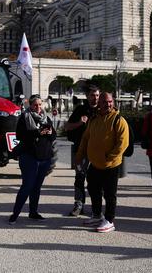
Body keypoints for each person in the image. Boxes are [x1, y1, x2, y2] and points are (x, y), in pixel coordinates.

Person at [75, 92, 129, 233]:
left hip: (111, 165)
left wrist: (109, 157)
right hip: (95, 164)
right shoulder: (94, 119)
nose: (108, 104)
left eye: (110, 101)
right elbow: (86, 138)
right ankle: (97, 215)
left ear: (113, 102)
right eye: (104, 102)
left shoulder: (118, 120)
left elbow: (123, 143)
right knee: (93, 190)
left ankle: (109, 220)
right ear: (99, 103)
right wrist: (79, 155)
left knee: (110, 194)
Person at [9, 95, 56, 225]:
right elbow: (19, 135)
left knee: (36, 187)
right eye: (35, 105)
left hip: (44, 158)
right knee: (27, 186)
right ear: (30, 105)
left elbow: (54, 136)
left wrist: (49, 133)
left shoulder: (46, 117)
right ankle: (15, 214)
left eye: (40, 104)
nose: (38, 107)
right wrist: (37, 133)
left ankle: (33, 212)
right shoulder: (25, 117)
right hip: (29, 157)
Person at [64, 85, 100, 216]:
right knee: (80, 177)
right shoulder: (80, 110)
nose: (95, 98)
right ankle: (78, 204)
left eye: (97, 95)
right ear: (87, 96)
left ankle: (97, 207)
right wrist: (79, 123)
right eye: (92, 95)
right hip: (81, 149)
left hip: (98, 151)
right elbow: (67, 127)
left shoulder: (103, 110)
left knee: (96, 179)